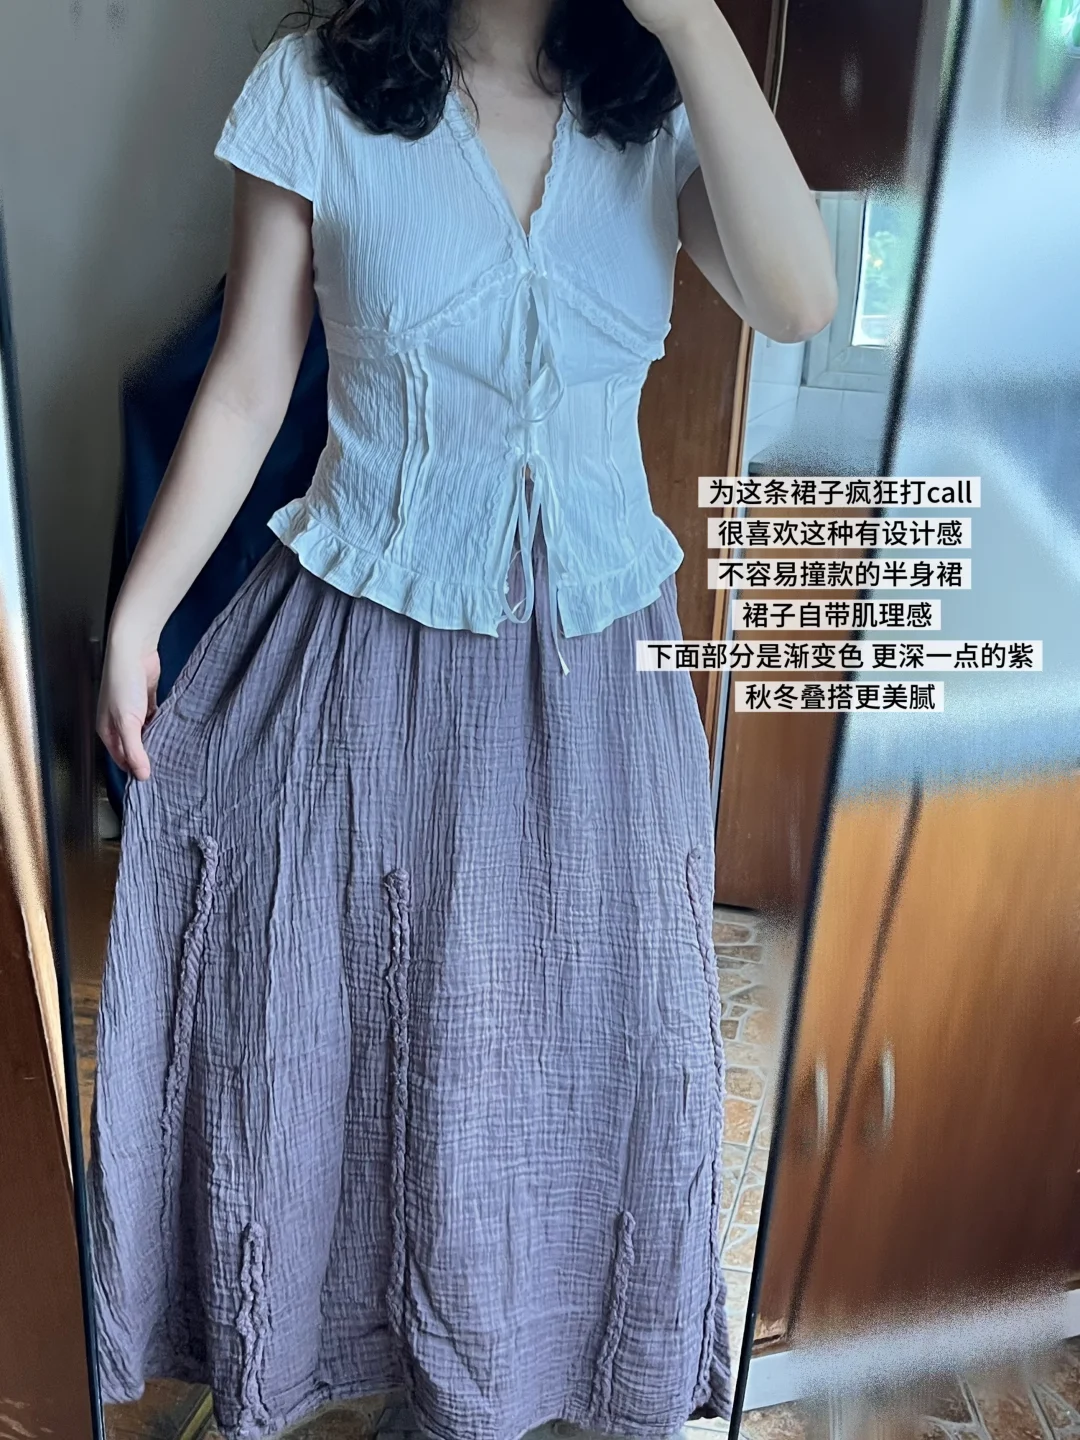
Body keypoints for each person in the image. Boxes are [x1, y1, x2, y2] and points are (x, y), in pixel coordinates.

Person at [89, 2, 837, 1438]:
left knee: (579, 1045)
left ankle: (501, 1379)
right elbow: (249, 383)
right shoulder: (315, 89)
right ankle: (387, 1364)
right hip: (368, 647)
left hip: (600, 679)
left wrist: (693, 24)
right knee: (363, 1035)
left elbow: (800, 302)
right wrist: (138, 616)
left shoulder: (657, 106)